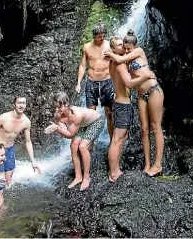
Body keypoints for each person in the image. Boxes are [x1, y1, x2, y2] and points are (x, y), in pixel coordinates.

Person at [104, 30, 164, 177]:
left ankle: (158, 165)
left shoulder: (139, 51)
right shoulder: (125, 60)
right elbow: (126, 78)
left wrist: (111, 53)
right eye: (123, 48)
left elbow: (117, 61)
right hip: (140, 95)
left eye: (127, 49)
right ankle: (147, 164)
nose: (125, 50)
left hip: (153, 90)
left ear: (134, 46)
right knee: (144, 130)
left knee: (155, 127)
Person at [44, 92, 104, 191]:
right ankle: (78, 176)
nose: (57, 110)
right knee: (73, 146)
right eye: (55, 107)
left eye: (59, 107)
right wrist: (57, 128)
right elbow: (65, 134)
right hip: (83, 124)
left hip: (96, 122)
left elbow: (70, 134)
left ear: (66, 104)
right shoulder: (59, 115)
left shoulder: (77, 115)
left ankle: (86, 177)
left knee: (82, 146)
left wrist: (57, 128)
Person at [0, 97, 41, 185]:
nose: (21, 105)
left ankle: (6, 198)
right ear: (14, 104)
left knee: (8, 181)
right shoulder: (3, 118)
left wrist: (33, 161)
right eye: (19, 103)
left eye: (23, 103)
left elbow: (28, 142)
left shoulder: (26, 122)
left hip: (10, 150)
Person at [75, 23, 114, 142]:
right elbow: (82, 65)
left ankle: (112, 140)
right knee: (91, 114)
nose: (102, 38)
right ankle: (90, 141)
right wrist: (78, 83)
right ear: (94, 36)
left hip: (107, 81)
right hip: (91, 82)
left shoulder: (109, 45)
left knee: (109, 113)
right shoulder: (86, 47)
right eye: (99, 36)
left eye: (103, 36)